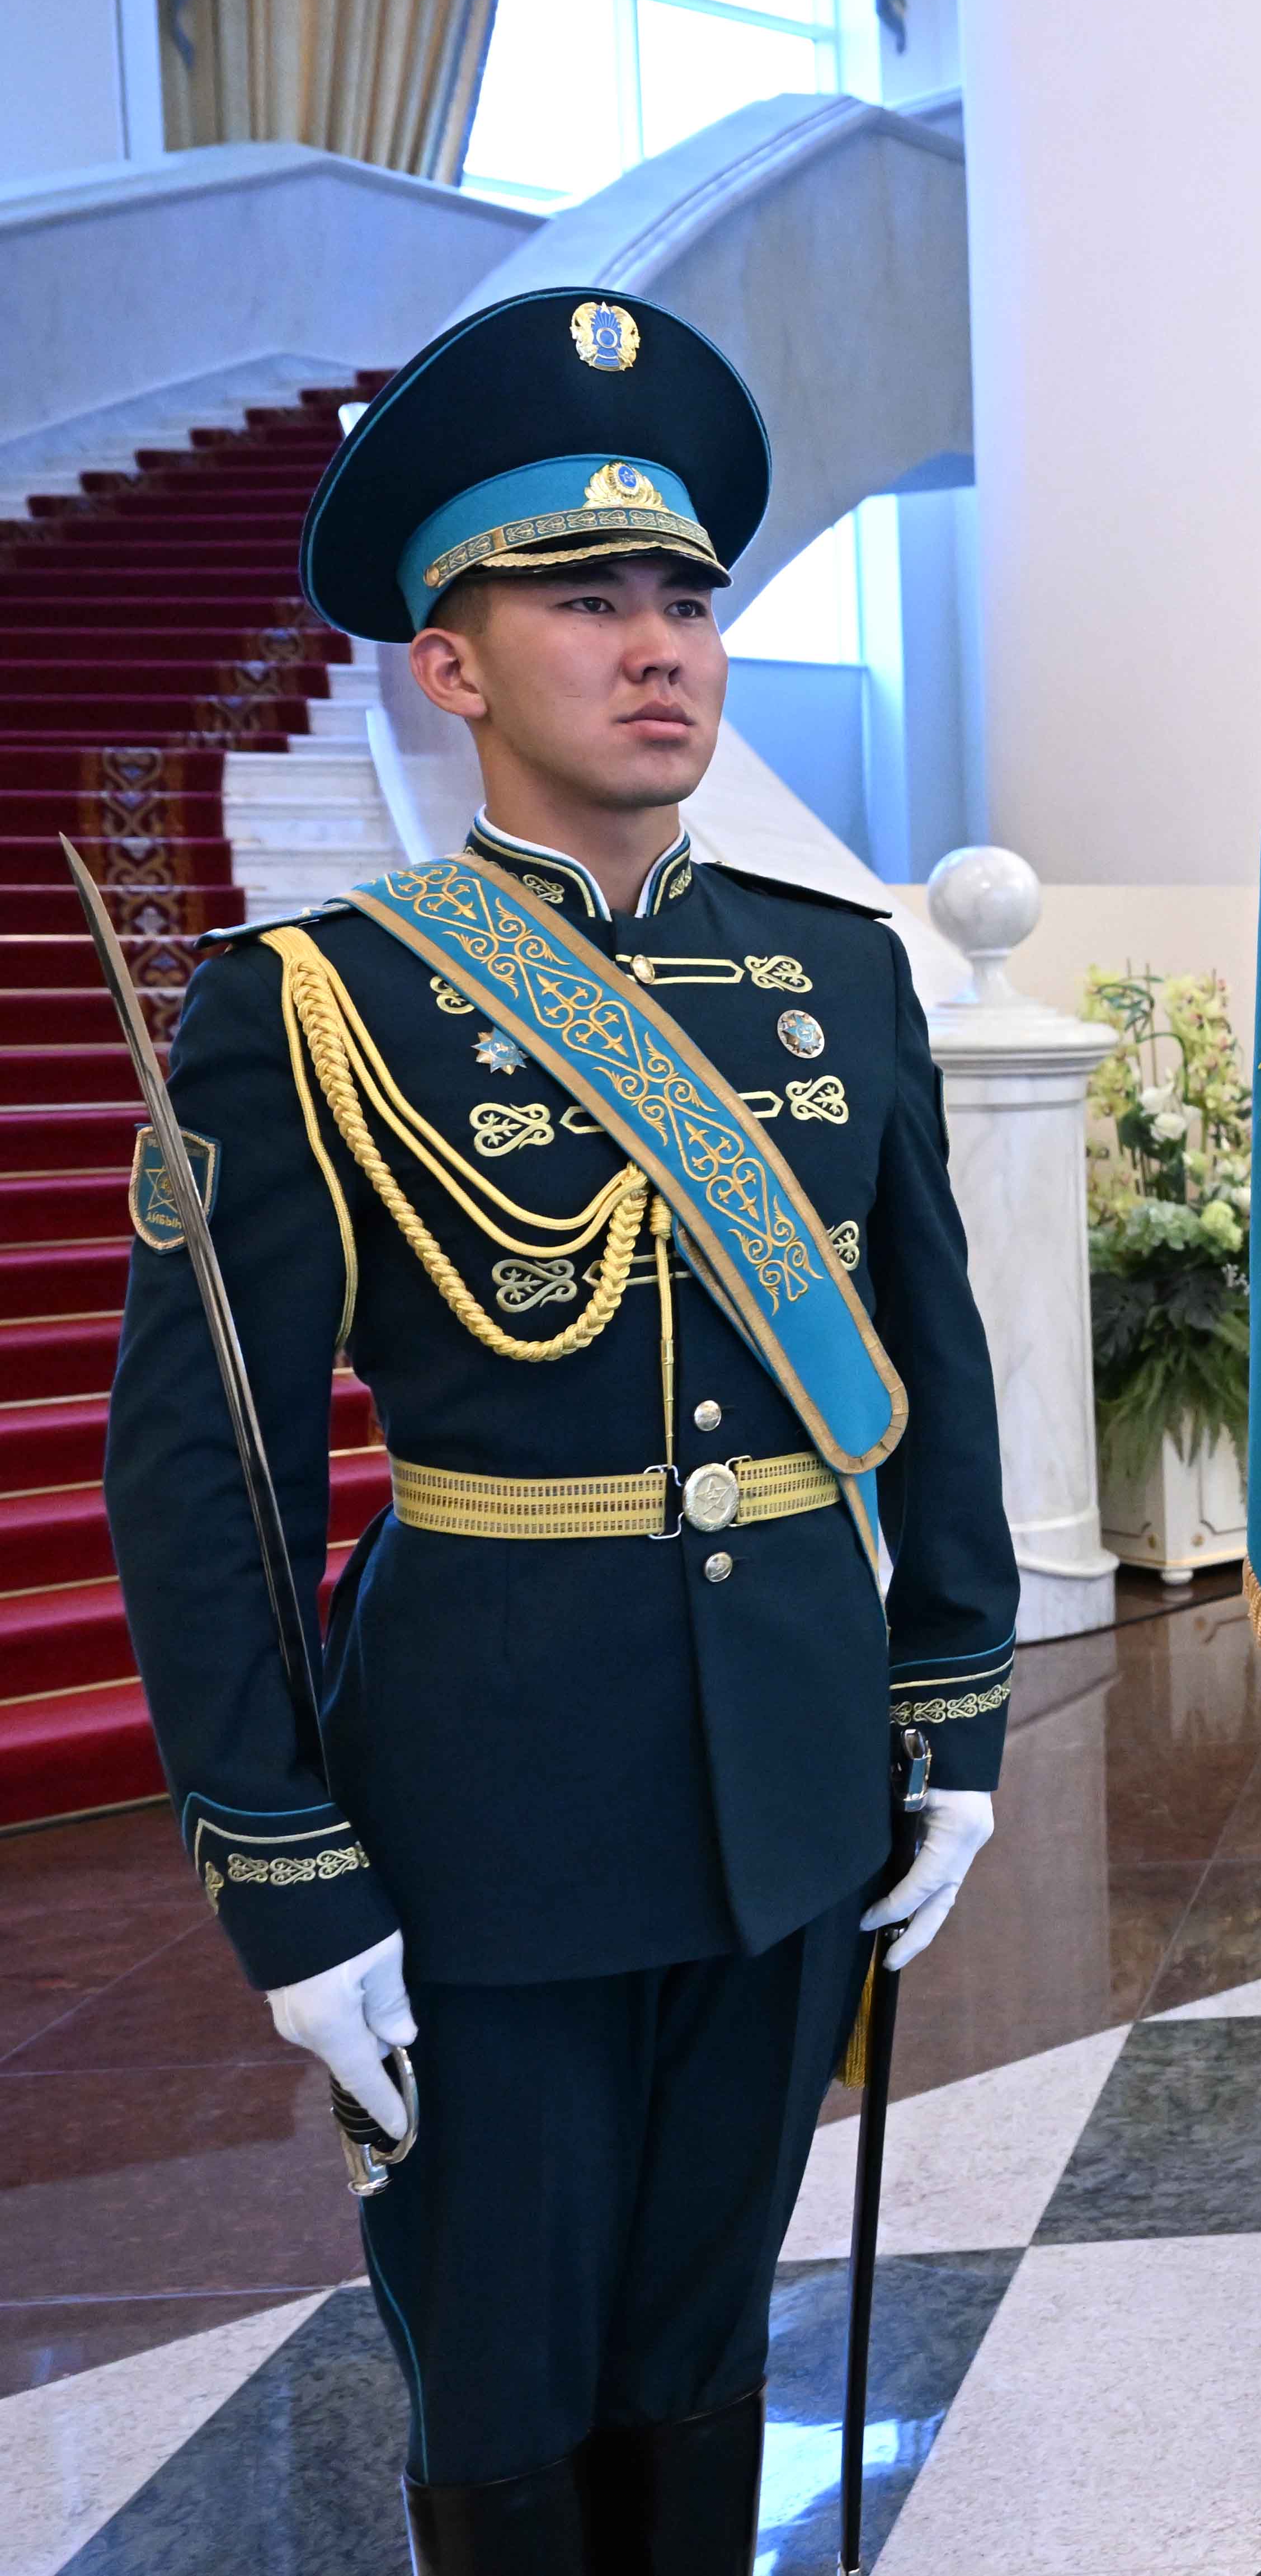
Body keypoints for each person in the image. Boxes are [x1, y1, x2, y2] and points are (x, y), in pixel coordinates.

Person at [102, 289, 1016, 2569]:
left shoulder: (840, 974)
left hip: (794, 1774)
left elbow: (937, 1358)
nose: (657, 646)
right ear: (448, 661)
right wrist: (287, 1870)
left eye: (684, 597)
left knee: (704, 2332)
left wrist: (957, 1708)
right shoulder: (314, 1006)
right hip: (485, 1804)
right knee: (505, 2364)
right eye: (583, 600)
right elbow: (206, 1477)